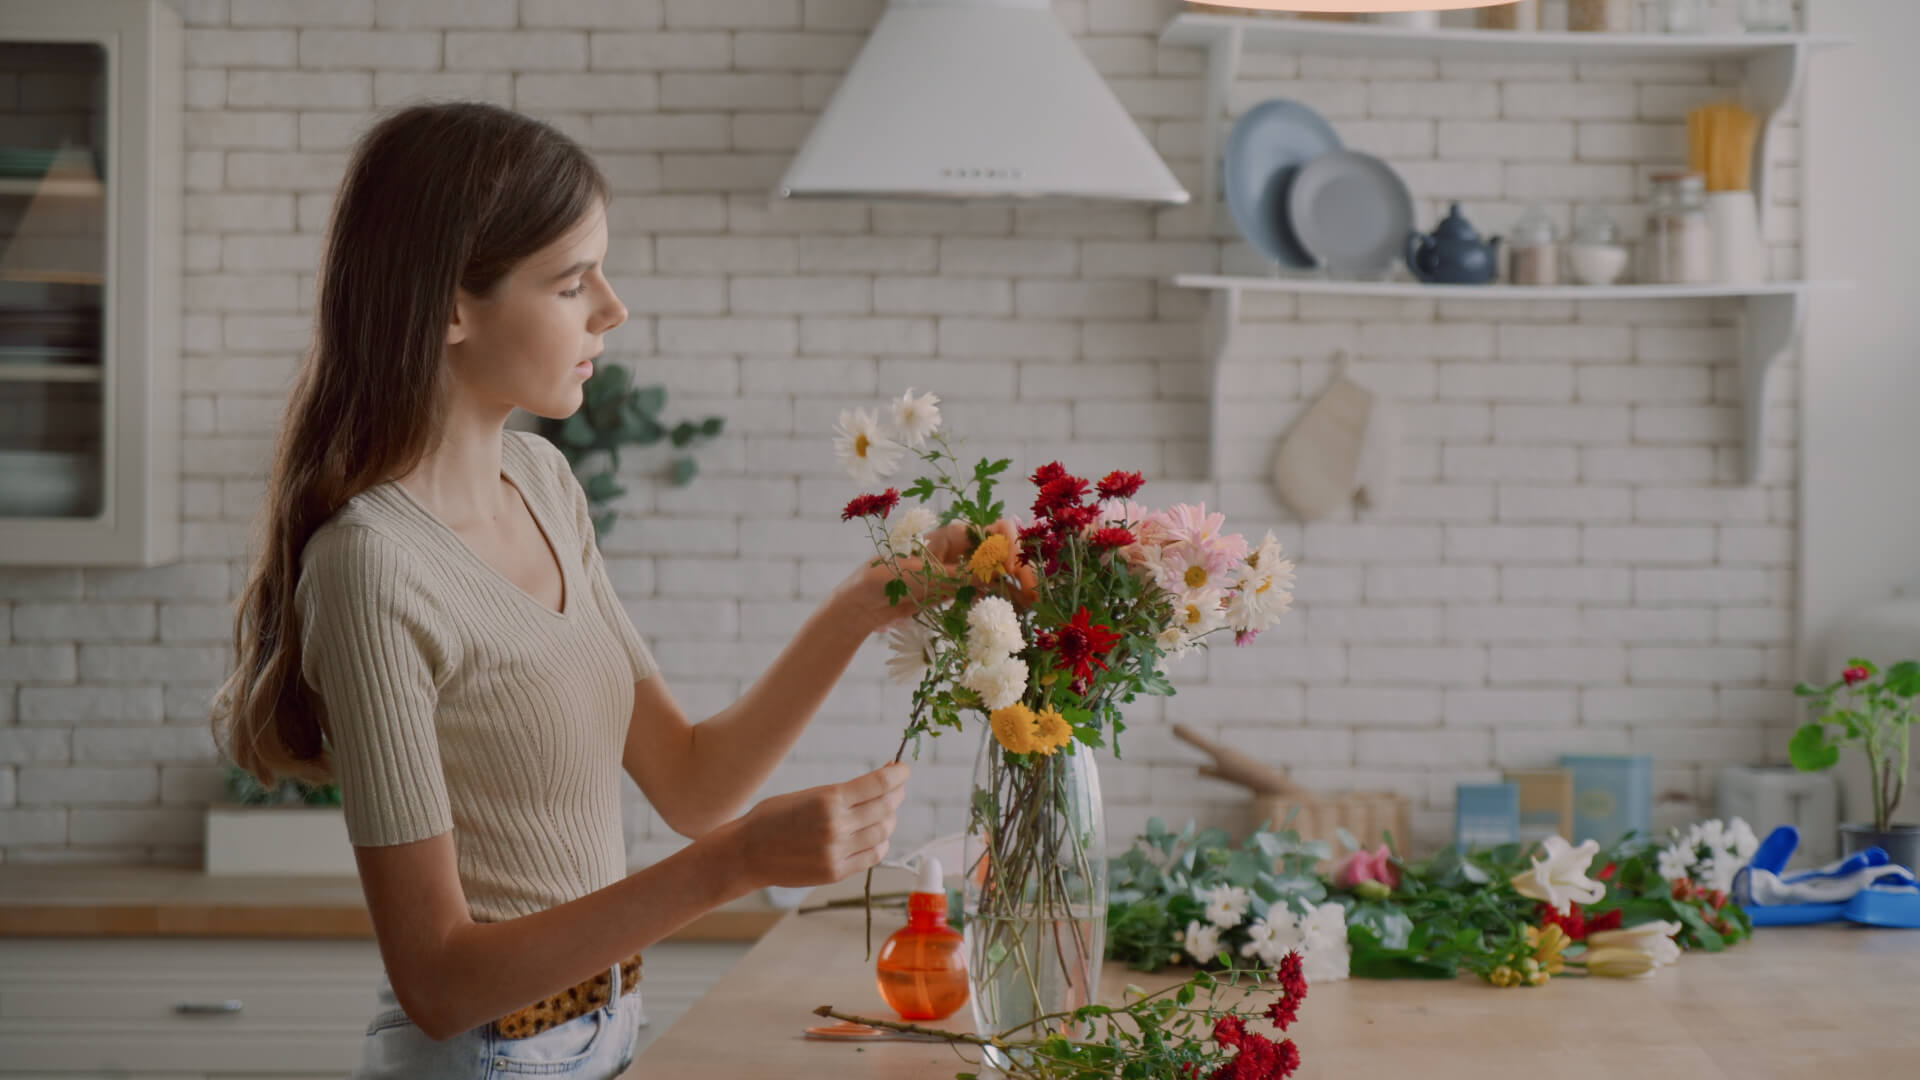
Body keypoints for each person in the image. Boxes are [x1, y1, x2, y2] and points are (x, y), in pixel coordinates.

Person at [209, 101, 969, 1078]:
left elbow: (696, 784)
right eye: (572, 282)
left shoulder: (541, 482)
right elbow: (438, 982)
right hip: (488, 1057)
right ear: (448, 307)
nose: (611, 309)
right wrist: (740, 865)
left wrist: (869, 600)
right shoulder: (372, 566)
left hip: (606, 1031)